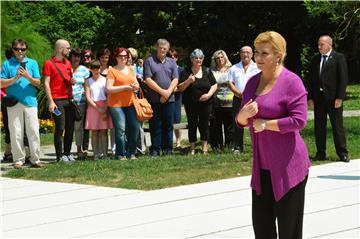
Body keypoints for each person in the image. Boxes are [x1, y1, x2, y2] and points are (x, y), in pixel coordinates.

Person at [236, 31, 310, 238]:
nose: (257, 58)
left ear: (278, 55)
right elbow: (243, 120)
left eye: (264, 53)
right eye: (256, 52)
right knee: (262, 228)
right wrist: (241, 116)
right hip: (262, 168)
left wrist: (267, 124)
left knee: (289, 231)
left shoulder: (291, 82)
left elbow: (299, 120)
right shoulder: (252, 82)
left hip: (289, 166)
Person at [1, 38, 44, 169]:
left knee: (34, 131)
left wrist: (27, 76)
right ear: (12, 50)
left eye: (23, 49)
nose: (20, 51)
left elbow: (38, 82)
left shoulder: (32, 63)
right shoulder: (7, 64)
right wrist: (15, 79)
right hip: (14, 102)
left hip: (30, 101)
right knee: (16, 132)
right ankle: (18, 160)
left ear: (26, 50)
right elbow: (1, 83)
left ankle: (35, 159)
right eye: (17, 49)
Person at [307, 35, 349, 162]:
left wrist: (340, 97)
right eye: (318, 44)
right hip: (319, 99)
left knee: (337, 126)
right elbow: (310, 80)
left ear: (329, 45)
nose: (319, 47)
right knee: (319, 127)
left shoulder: (338, 58)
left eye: (322, 44)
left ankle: (342, 153)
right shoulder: (315, 59)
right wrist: (310, 97)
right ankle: (320, 153)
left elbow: (343, 79)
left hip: (333, 99)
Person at [178, 49, 217, 155]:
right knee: (192, 124)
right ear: (191, 59)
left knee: (204, 124)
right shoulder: (186, 71)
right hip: (191, 103)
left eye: (200, 58)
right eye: (196, 58)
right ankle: (192, 148)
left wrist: (209, 95)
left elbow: (214, 84)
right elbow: (180, 88)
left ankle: (204, 147)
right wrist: (188, 81)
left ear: (203, 59)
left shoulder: (207, 70)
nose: (198, 60)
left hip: (206, 103)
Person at [143, 39, 179, 157]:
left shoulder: (172, 62)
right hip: (154, 99)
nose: (162, 50)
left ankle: (168, 149)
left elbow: (175, 79)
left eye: (165, 48)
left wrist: (167, 93)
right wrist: (162, 92)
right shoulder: (149, 61)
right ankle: (155, 150)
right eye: (160, 47)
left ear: (168, 50)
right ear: (156, 48)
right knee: (155, 125)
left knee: (168, 125)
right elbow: (148, 79)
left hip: (170, 99)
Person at [43, 39, 75, 163]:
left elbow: (69, 77)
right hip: (57, 101)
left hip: (69, 100)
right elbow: (46, 83)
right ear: (60, 49)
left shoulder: (68, 63)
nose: (70, 50)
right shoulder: (49, 63)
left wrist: (72, 81)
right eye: (68, 48)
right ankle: (59, 155)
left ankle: (67, 153)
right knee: (60, 127)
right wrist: (51, 101)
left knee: (70, 128)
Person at [106, 48, 140, 160]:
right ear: (116, 57)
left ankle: (131, 153)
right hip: (116, 105)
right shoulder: (112, 71)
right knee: (121, 130)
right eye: (121, 56)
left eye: (125, 56)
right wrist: (125, 87)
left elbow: (136, 84)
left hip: (130, 103)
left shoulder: (131, 69)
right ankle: (120, 154)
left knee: (135, 128)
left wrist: (136, 87)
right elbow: (108, 89)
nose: (123, 58)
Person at [228, 46, 260, 153]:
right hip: (238, 98)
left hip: (254, 99)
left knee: (256, 122)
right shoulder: (234, 68)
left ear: (252, 54)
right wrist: (239, 94)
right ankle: (238, 147)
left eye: (248, 52)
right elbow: (230, 83)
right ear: (240, 54)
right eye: (243, 52)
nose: (245, 54)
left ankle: (257, 147)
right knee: (238, 122)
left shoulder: (258, 68)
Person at [85, 60, 113, 160]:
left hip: (104, 104)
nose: (96, 71)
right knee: (95, 132)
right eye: (94, 68)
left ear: (100, 68)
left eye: (98, 68)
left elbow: (108, 95)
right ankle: (96, 154)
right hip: (93, 107)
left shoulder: (105, 80)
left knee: (104, 131)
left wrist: (104, 108)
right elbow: (88, 97)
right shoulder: (88, 81)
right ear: (90, 69)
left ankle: (105, 154)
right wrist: (97, 108)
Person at [210, 50, 234, 151]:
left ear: (225, 58)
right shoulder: (211, 71)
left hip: (230, 100)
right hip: (216, 101)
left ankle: (230, 146)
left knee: (229, 125)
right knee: (216, 125)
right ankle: (217, 146)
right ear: (214, 60)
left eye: (221, 57)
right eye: (217, 58)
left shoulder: (232, 69)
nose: (220, 59)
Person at [69, 48, 90, 159]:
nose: (76, 58)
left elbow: (87, 86)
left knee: (78, 127)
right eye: (74, 56)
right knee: (67, 127)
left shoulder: (84, 70)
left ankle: (79, 149)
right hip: (67, 101)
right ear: (70, 56)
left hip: (80, 102)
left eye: (78, 56)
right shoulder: (66, 67)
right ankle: (66, 151)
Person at [97, 48, 116, 155]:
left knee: (113, 126)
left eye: (106, 57)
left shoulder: (111, 70)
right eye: (102, 57)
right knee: (101, 127)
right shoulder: (95, 69)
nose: (104, 59)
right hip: (99, 101)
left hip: (111, 100)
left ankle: (113, 149)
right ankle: (100, 150)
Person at [167, 48, 184, 149]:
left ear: (177, 58)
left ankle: (178, 142)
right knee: (167, 120)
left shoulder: (181, 70)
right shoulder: (165, 68)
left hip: (177, 97)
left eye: (174, 57)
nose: (172, 59)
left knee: (177, 120)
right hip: (165, 96)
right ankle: (167, 142)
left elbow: (182, 84)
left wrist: (173, 90)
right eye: (169, 57)